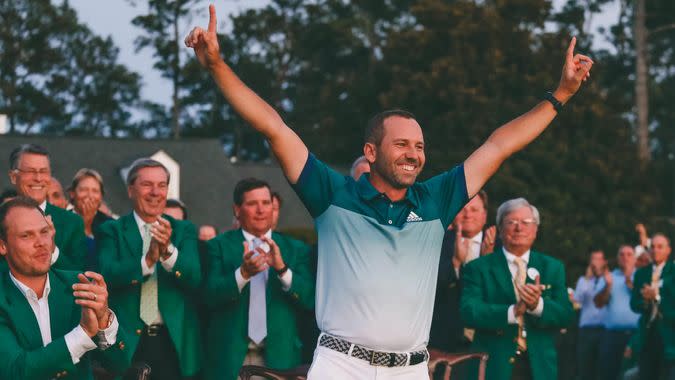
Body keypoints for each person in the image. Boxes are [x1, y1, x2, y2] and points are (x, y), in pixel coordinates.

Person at [186, 7, 592, 378]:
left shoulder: (437, 200)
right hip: (340, 365)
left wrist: (560, 96)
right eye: (401, 145)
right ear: (370, 151)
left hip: (411, 370)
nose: (413, 154)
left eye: (419, 146)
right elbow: (273, 127)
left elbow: (499, 145)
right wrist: (218, 66)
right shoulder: (332, 194)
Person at [0, 197, 129, 379]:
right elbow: (14, 371)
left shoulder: (78, 285)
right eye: (26, 235)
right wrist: (82, 334)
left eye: (44, 232)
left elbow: (121, 365)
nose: (41, 242)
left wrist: (104, 320)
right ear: (2, 245)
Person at [97, 159, 202, 380]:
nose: (155, 192)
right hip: (127, 343)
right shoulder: (111, 230)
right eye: (147, 184)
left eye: (162, 185)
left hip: (172, 342)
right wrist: (147, 260)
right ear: (130, 190)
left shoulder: (183, 230)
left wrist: (168, 253)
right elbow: (107, 275)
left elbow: (194, 278)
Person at [203, 178, 314, 380]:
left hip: (280, 358)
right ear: (237, 210)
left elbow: (310, 300)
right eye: (252, 204)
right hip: (229, 358)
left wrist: (282, 269)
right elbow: (209, 297)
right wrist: (243, 274)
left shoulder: (296, 249)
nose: (261, 210)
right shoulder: (217, 246)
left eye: (266, 203)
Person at [460, 198, 574, 380]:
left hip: (539, 367)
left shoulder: (552, 267)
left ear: (536, 229)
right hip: (494, 366)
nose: (519, 228)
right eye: (511, 222)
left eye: (526, 223)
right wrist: (512, 311)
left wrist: (538, 306)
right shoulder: (479, 267)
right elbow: (468, 311)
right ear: (500, 229)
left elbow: (566, 315)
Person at [429, 191, 495, 354]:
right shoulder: (436, 241)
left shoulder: (500, 247)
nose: (468, 215)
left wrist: (487, 265)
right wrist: (455, 264)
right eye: (462, 209)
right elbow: (428, 285)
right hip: (441, 343)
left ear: (485, 215)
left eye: (474, 210)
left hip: (486, 341)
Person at [7, 144, 87, 270]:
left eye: (43, 171)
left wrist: (53, 251)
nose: (38, 178)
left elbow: (79, 277)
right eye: (30, 171)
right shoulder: (2, 218)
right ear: (13, 177)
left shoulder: (72, 223)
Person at [630, 234, 675, 380]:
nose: (655, 250)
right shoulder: (641, 273)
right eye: (653, 247)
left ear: (668, 250)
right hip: (647, 337)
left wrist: (657, 297)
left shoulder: (673, 272)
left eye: (660, 247)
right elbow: (634, 304)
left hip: (669, 337)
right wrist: (645, 300)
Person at [593, 245, 640, 380]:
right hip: (612, 336)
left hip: (637, 335)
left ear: (635, 258)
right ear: (617, 258)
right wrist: (608, 286)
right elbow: (598, 303)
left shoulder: (642, 276)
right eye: (622, 254)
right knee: (609, 373)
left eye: (629, 254)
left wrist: (631, 283)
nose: (625, 257)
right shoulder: (609, 277)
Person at [68, 168, 113, 271]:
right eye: (83, 190)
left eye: (95, 191)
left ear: (101, 197)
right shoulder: (61, 222)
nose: (89, 196)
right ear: (72, 193)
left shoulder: (111, 225)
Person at [574, 249, 608, 380]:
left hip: (604, 329)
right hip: (587, 329)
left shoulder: (609, 279)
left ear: (604, 262)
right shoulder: (583, 280)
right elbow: (577, 300)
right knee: (585, 366)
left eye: (599, 259)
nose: (596, 262)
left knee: (602, 367)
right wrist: (587, 280)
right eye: (593, 259)